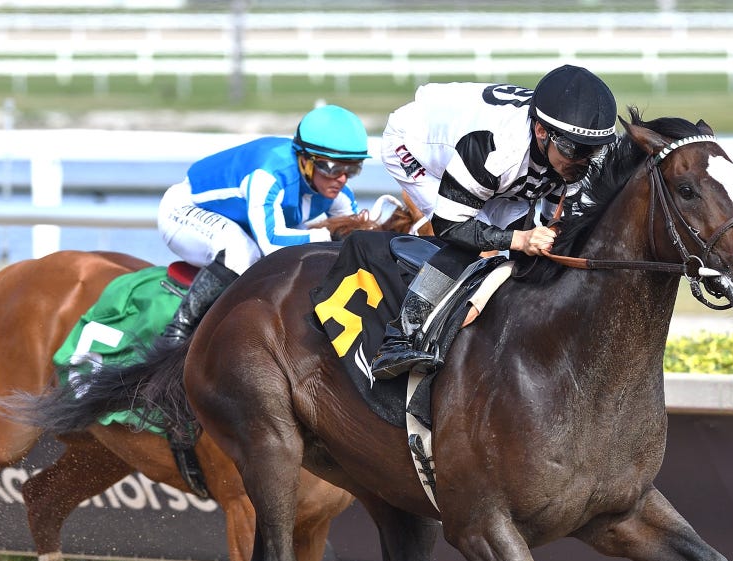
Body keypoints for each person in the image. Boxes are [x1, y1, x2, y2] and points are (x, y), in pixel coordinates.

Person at [371, 64, 618, 379]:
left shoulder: (570, 151)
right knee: (470, 245)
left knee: (530, 248)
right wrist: (520, 240)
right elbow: (452, 226)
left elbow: (561, 226)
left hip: (502, 169)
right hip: (415, 147)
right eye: (573, 149)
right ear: (542, 131)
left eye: (593, 151)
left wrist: (543, 237)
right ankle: (400, 338)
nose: (582, 161)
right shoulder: (498, 151)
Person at [157, 104, 371, 345]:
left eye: (352, 169)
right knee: (241, 251)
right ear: (305, 160)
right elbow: (271, 244)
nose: (341, 179)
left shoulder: (337, 191)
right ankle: (176, 333)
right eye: (332, 167)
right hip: (186, 210)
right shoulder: (269, 174)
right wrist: (328, 236)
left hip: (242, 222)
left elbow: (352, 241)